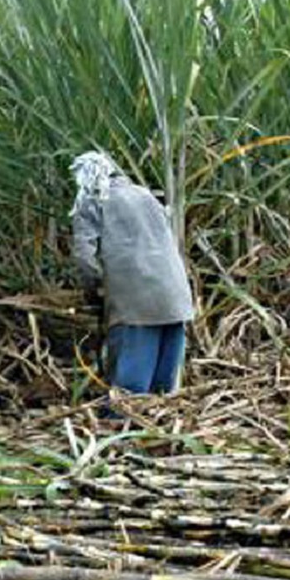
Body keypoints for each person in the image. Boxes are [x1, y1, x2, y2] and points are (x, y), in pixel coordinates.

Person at [69, 151, 195, 401]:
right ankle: (159, 428)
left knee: (130, 391)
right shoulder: (144, 194)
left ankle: (120, 427)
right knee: (163, 388)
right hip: (176, 293)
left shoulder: (92, 200)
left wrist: (93, 290)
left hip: (135, 301)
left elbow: (84, 256)